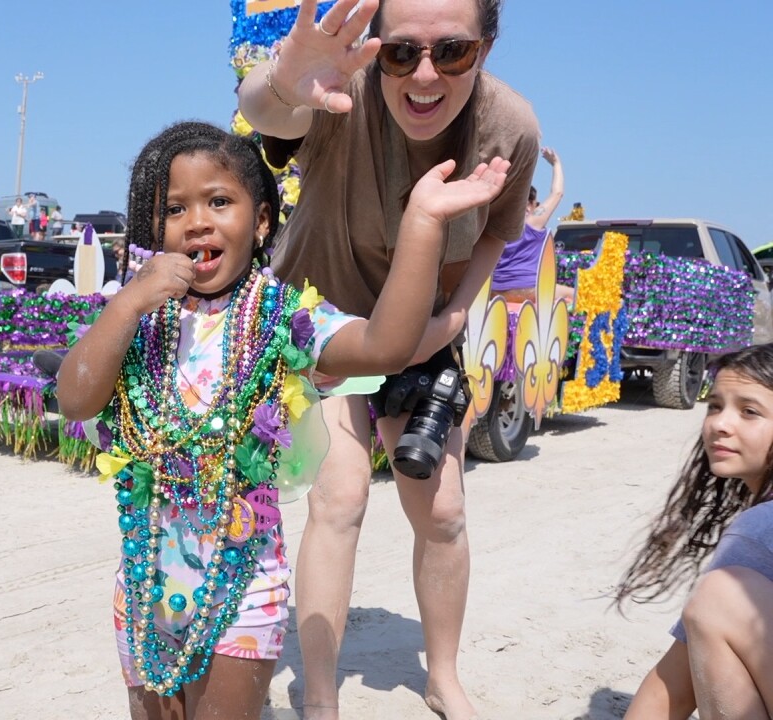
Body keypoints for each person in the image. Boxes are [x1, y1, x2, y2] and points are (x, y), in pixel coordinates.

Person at [55, 121, 509, 719]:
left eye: (220, 201)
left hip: (241, 587)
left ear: (262, 221)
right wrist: (130, 301)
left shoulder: (284, 322)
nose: (197, 221)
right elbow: (75, 399)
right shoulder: (140, 320)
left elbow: (386, 345)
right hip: (143, 586)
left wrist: (422, 223)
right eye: (174, 209)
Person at [237, 2, 540, 717]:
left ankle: (443, 675)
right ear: (378, 47)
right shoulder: (341, 87)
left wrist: (451, 319)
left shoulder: (511, 127)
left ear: (486, 46)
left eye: (453, 51)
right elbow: (266, 113)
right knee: (339, 497)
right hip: (323, 320)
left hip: (427, 327)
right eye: (402, 53)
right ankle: (320, 693)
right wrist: (281, 79)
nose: (424, 76)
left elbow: (496, 235)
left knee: (443, 509)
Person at [616, 344, 773, 719]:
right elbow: (679, 675)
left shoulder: (760, 528)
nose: (720, 423)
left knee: (720, 598)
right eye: (715, 406)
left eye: (749, 411)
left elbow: (673, 689)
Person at [491, 147, 574, 304]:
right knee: (580, 295)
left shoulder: (493, 223)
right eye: (536, 203)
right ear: (528, 205)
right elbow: (557, 193)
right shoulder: (532, 223)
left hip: (495, 292)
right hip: (530, 289)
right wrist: (556, 164)